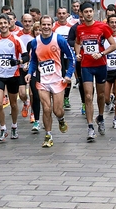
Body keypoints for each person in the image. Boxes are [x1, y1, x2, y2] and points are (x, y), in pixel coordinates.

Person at [25, 15, 75, 148]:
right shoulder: (35, 42)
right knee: (46, 109)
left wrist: (69, 75)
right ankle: (48, 135)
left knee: (57, 110)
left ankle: (61, 119)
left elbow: (72, 58)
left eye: (48, 24)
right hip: (42, 81)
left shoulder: (59, 40)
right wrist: (30, 73)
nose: (46, 27)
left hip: (58, 80)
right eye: (44, 25)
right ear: (40, 26)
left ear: (52, 25)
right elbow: (34, 60)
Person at [74, 2, 116, 142]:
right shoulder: (79, 28)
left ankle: (101, 117)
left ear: (94, 12)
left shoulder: (102, 26)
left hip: (100, 65)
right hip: (86, 66)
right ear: (81, 13)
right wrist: (77, 54)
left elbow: (114, 45)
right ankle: (90, 126)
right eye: (85, 11)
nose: (88, 14)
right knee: (87, 96)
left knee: (101, 95)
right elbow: (77, 42)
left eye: (90, 11)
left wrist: (102, 53)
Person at [0, 14, 29, 141]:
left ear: (9, 24)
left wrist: (18, 62)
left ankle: (14, 126)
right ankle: (3, 128)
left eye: (5, 23)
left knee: (14, 104)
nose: (3, 25)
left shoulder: (16, 39)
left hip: (13, 75)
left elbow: (26, 56)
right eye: (1, 23)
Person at [52, 7, 73, 111]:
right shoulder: (53, 27)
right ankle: (58, 97)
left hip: (68, 56)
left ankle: (66, 98)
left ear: (67, 14)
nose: (61, 15)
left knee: (67, 77)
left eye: (63, 13)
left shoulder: (71, 27)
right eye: (59, 13)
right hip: (57, 57)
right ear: (57, 14)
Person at [67, 10, 87, 116]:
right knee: (82, 82)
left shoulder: (95, 27)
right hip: (80, 58)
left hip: (93, 59)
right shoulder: (74, 28)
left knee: (90, 84)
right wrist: (78, 42)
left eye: (83, 16)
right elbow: (69, 41)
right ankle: (84, 103)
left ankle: (89, 102)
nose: (83, 19)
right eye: (80, 17)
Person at [16, 14, 34, 121]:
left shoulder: (35, 35)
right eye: (25, 21)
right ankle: (25, 102)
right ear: (22, 22)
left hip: (32, 68)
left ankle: (33, 113)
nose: (27, 23)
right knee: (22, 93)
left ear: (32, 22)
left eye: (29, 21)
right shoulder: (17, 35)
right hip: (21, 67)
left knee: (32, 93)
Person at [26, 22, 42, 132]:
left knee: (46, 98)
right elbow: (29, 58)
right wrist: (26, 65)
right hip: (34, 72)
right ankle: (36, 120)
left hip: (47, 73)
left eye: (40, 29)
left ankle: (47, 116)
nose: (38, 32)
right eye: (36, 30)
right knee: (35, 96)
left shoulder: (51, 42)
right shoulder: (31, 43)